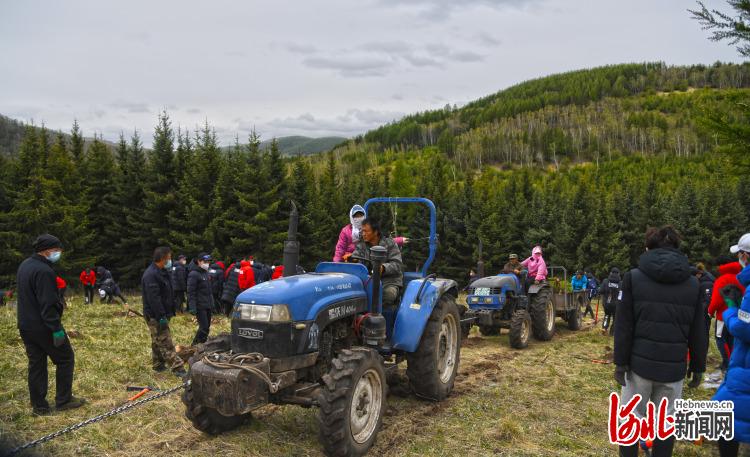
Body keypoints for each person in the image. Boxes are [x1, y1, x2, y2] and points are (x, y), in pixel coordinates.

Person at [614, 226, 707, 457]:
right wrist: (697, 365)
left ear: (648, 247)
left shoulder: (633, 278)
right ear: (677, 249)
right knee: (666, 424)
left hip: (639, 367)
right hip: (673, 369)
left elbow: (623, 325)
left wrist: (620, 362)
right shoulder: (693, 284)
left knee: (631, 420)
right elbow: (699, 329)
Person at [16, 234, 85, 415]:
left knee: (36, 363)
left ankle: (39, 406)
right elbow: (48, 303)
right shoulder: (44, 271)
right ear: (47, 251)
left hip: (25, 325)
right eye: (57, 250)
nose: (59, 253)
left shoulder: (25, 266)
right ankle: (64, 400)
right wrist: (56, 329)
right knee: (65, 358)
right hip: (44, 327)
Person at [712, 234, 750, 456]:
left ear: (744, 256)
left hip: (745, 368)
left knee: (724, 418)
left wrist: (731, 310)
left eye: (740, 255)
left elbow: (744, 328)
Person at [142, 246, 186, 377]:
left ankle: (158, 364)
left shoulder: (162, 272)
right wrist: (161, 316)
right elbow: (154, 299)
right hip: (155, 315)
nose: (170, 260)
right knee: (165, 341)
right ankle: (178, 368)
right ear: (162, 259)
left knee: (157, 339)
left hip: (164, 312)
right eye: (169, 258)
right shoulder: (151, 275)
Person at [346, 218, 403, 308]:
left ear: (375, 232)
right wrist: (352, 260)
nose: (363, 234)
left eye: (366, 231)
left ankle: (381, 318)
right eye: (362, 231)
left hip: (388, 281)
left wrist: (383, 268)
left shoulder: (390, 244)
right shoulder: (361, 245)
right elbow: (356, 258)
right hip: (368, 280)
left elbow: (397, 265)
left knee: (388, 294)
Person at [708, 255, 744, 374]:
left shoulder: (722, 279)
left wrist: (710, 311)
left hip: (723, 316)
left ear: (721, 266)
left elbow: (716, 300)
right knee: (732, 339)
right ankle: (732, 362)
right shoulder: (741, 277)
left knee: (720, 339)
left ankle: (726, 362)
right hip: (738, 315)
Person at [333, 204, 407, 262]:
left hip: (366, 260)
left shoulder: (369, 229)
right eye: (356, 216)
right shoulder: (346, 231)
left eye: (360, 216)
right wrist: (336, 264)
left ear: (364, 216)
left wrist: (400, 240)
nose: (358, 218)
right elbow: (340, 249)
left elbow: (382, 241)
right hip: (350, 262)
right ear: (351, 217)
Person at [188, 253, 215, 345]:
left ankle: (203, 344)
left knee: (207, 327)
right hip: (200, 305)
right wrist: (192, 307)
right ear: (199, 261)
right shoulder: (194, 274)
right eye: (205, 262)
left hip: (207, 304)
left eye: (208, 262)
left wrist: (212, 304)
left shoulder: (206, 273)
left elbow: (209, 291)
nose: (207, 264)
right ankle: (194, 345)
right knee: (203, 327)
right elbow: (191, 292)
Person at [600, 267, 622, 335]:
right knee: (615, 318)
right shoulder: (621, 283)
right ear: (618, 274)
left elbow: (601, 291)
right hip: (617, 304)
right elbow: (622, 294)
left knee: (607, 315)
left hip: (607, 303)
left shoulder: (605, 281)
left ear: (610, 273)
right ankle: (612, 332)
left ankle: (604, 328)